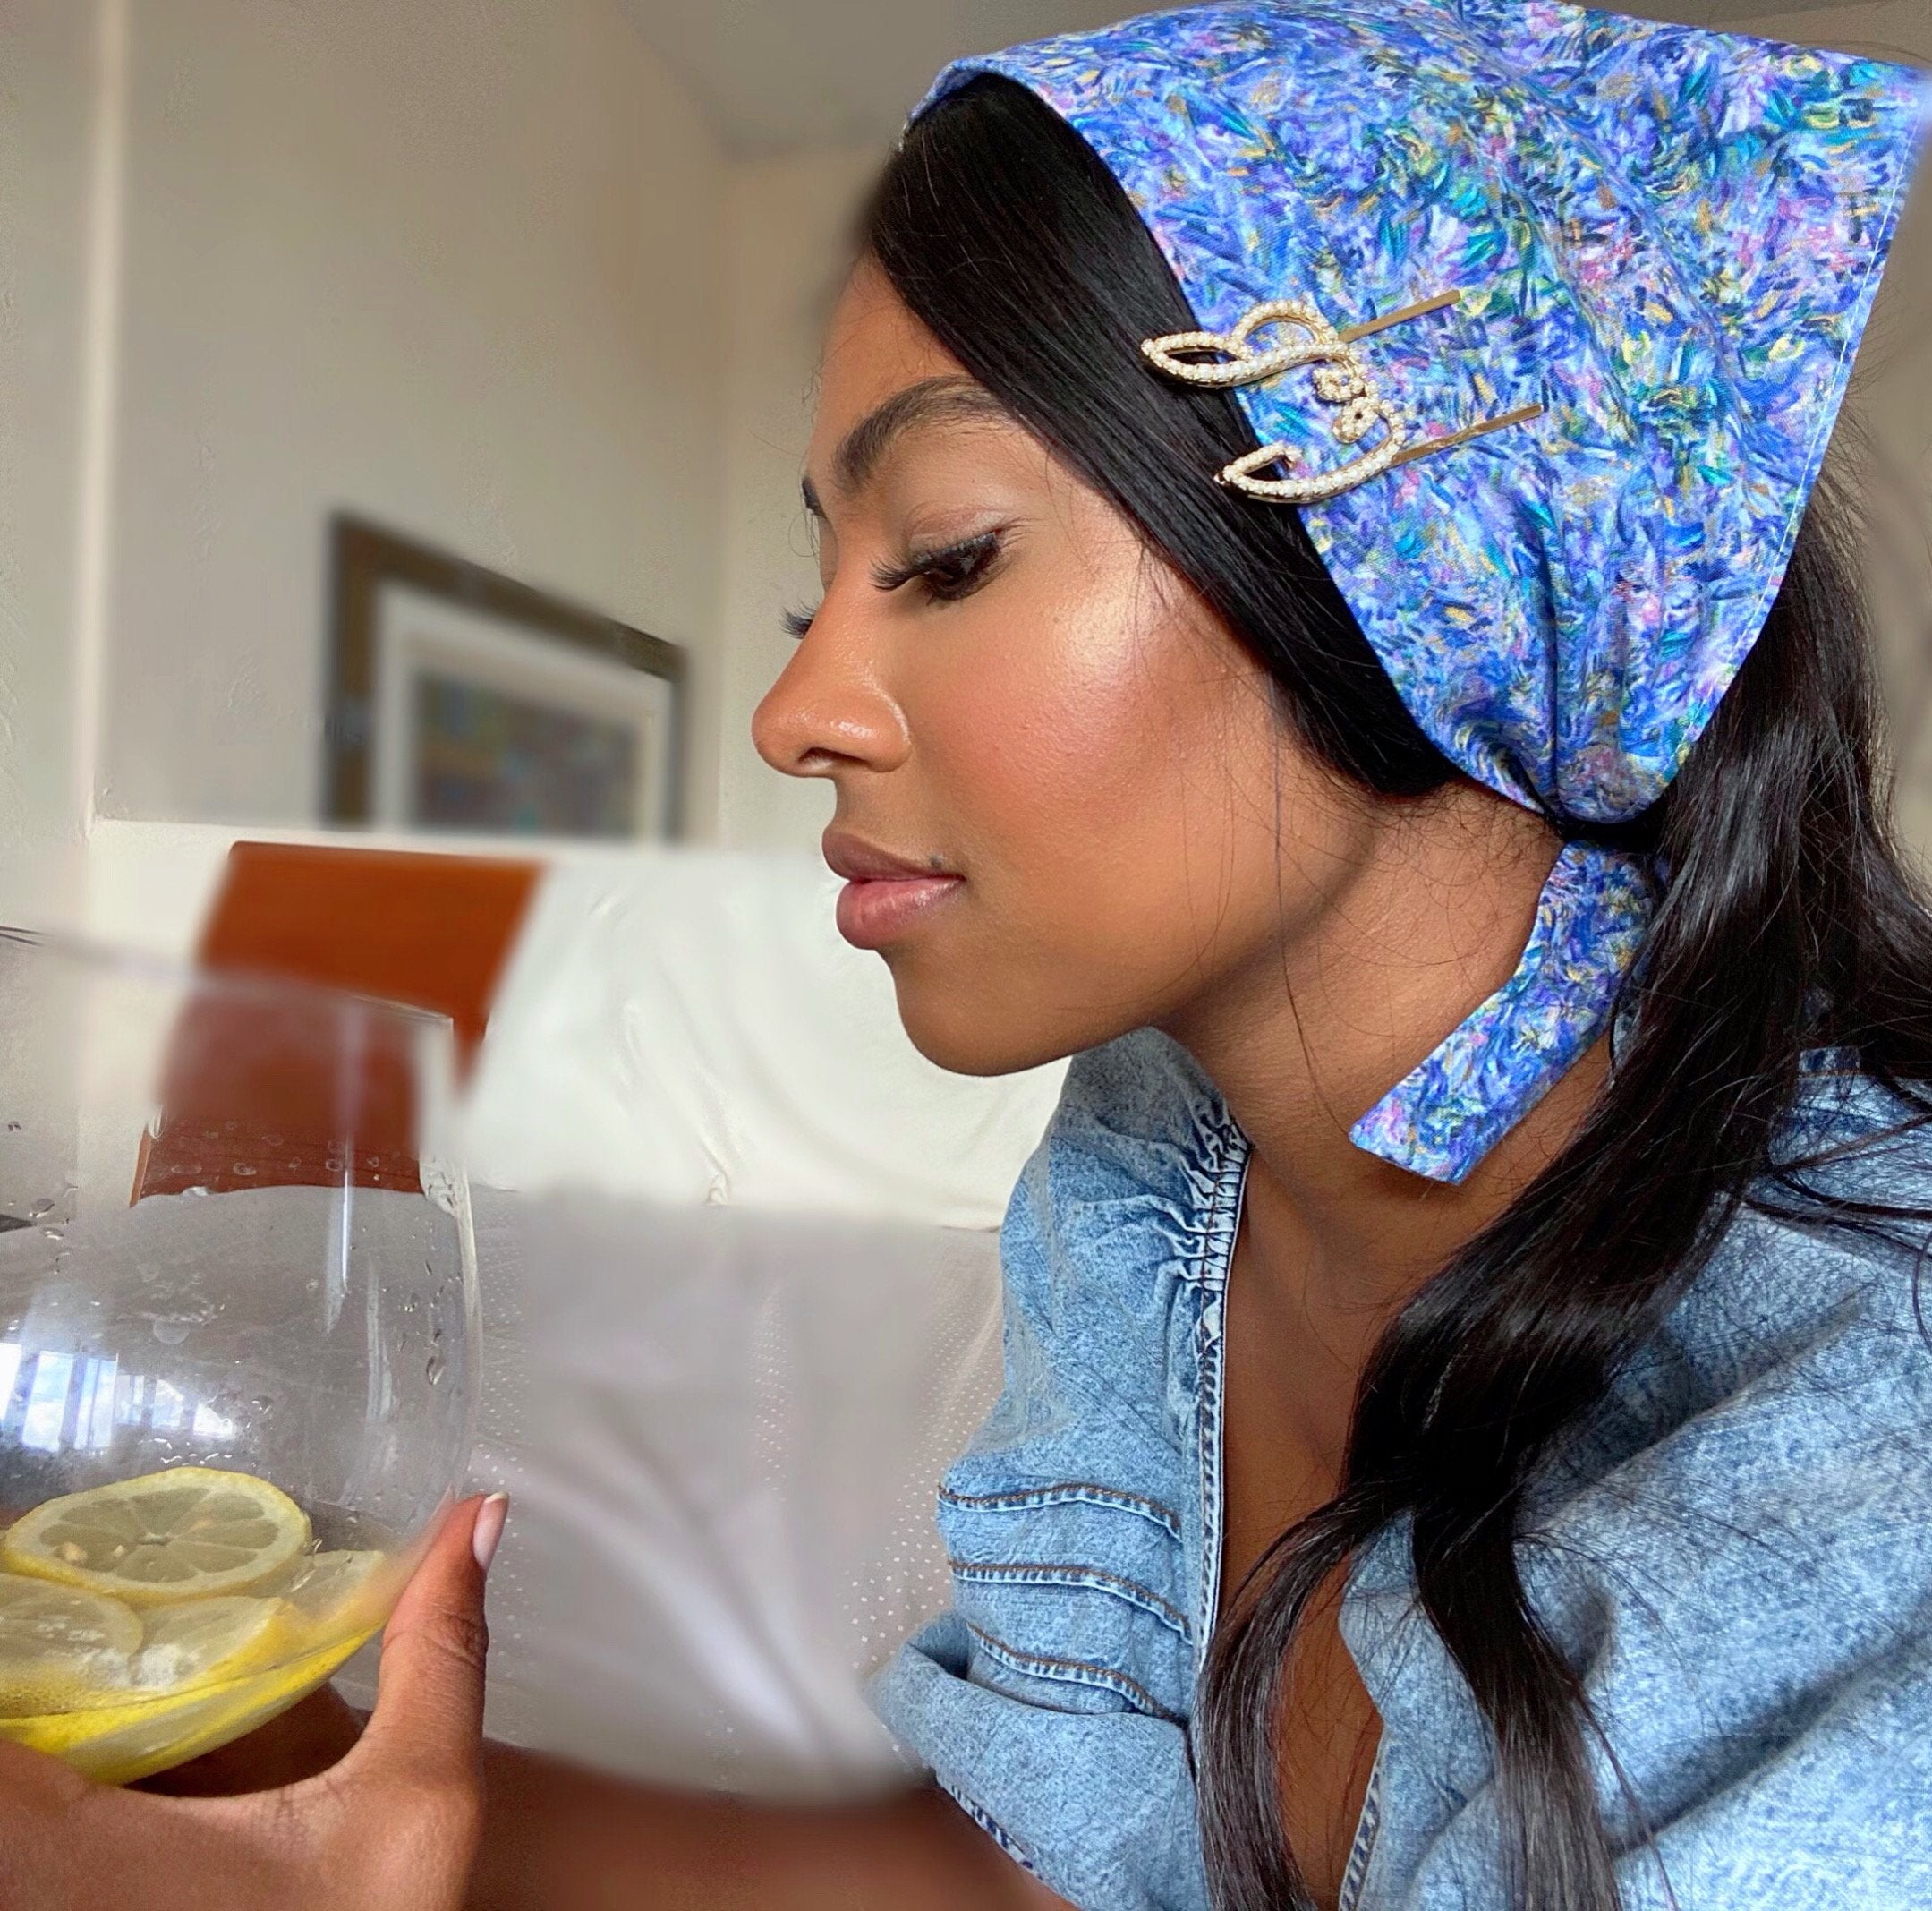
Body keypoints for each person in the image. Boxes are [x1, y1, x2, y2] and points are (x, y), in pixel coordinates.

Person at [10, 3, 1931, 1907]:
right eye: (814, 598)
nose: (793, 716)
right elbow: (1045, 1870)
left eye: (944, 555)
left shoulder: (1867, 1462)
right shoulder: (1162, 1171)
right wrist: (286, 1814)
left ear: (1424, 566)